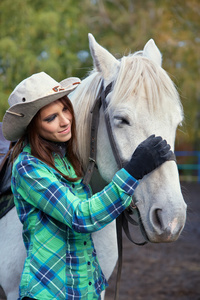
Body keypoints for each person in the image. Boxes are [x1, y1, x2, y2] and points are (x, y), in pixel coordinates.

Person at [2, 72, 173, 300]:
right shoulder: (28, 168)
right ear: (33, 127)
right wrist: (132, 172)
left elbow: (94, 202)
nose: (64, 121)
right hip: (47, 294)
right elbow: (80, 216)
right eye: (50, 118)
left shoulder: (69, 161)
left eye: (65, 109)